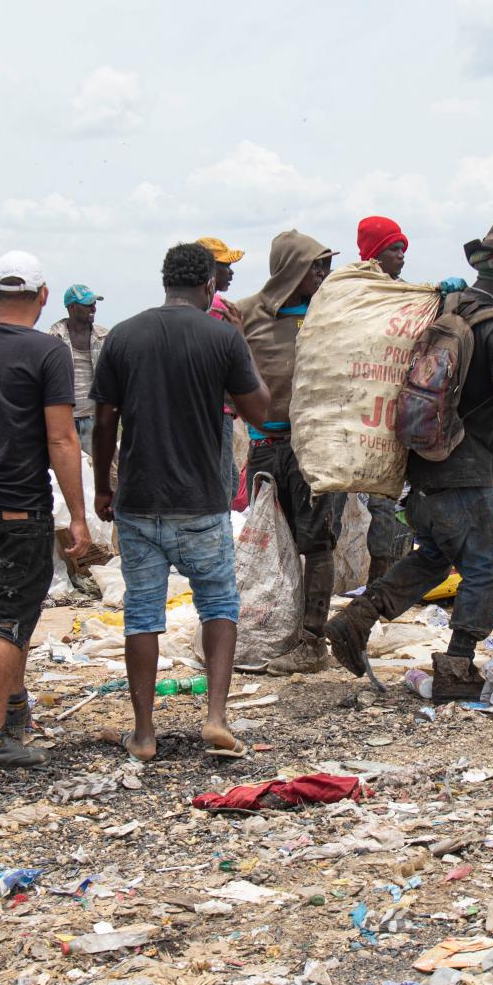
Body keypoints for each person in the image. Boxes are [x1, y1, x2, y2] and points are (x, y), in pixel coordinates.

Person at [324, 215, 493, 701]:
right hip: (463, 472)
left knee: (435, 556)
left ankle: (357, 617)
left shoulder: (446, 308)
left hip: (423, 466)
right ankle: (456, 666)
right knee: (485, 568)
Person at [92, 243, 271, 761]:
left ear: (164, 280)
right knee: (218, 604)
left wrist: (106, 487)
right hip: (202, 503)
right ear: (210, 286)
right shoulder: (221, 337)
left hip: (139, 501)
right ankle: (215, 718)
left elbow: (105, 421)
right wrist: (241, 340)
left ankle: (144, 734)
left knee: (142, 615)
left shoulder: (124, 335)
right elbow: (258, 411)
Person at [0, 252, 94, 769]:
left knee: (16, 606)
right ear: (44, 296)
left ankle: (13, 708)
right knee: (9, 617)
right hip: (18, 504)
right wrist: (77, 516)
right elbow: (61, 437)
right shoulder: (48, 353)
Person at [239, 230, 344, 676]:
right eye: (314, 266)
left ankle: (311, 640)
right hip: (266, 445)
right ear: (290, 270)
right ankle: (273, 628)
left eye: (325, 265)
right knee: (271, 543)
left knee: (316, 542)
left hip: (315, 446)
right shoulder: (247, 315)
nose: (323, 274)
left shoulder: (332, 312)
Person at [357, 215, 416, 581]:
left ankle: (379, 588)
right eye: (395, 249)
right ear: (376, 253)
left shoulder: (409, 296)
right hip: (358, 417)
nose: (402, 256)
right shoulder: (353, 296)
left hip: (394, 416)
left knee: (387, 502)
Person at [197, 237, 247, 504]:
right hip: (218, 412)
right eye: (226, 265)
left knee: (226, 483)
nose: (231, 272)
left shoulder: (200, 307)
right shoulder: (219, 309)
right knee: (223, 487)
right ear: (210, 270)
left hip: (207, 410)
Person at [45, 284, 107, 457]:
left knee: (100, 472)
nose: (93, 308)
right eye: (88, 304)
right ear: (72, 308)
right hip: (63, 421)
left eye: (94, 304)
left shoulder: (105, 337)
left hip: (95, 419)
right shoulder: (52, 338)